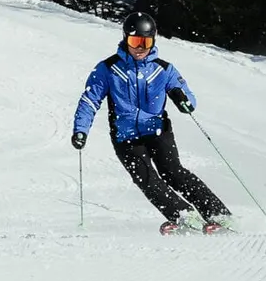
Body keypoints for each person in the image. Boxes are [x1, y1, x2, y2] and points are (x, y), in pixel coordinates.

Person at [70, 12, 230, 234]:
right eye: (135, 41)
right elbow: (89, 101)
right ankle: (183, 215)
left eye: (145, 42)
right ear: (126, 39)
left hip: (157, 131)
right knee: (146, 179)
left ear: (153, 40)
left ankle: (218, 214)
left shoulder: (163, 69)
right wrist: (81, 130)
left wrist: (181, 98)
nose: (139, 48)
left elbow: (187, 95)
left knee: (173, 172)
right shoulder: (108, 69)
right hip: (126, 138)